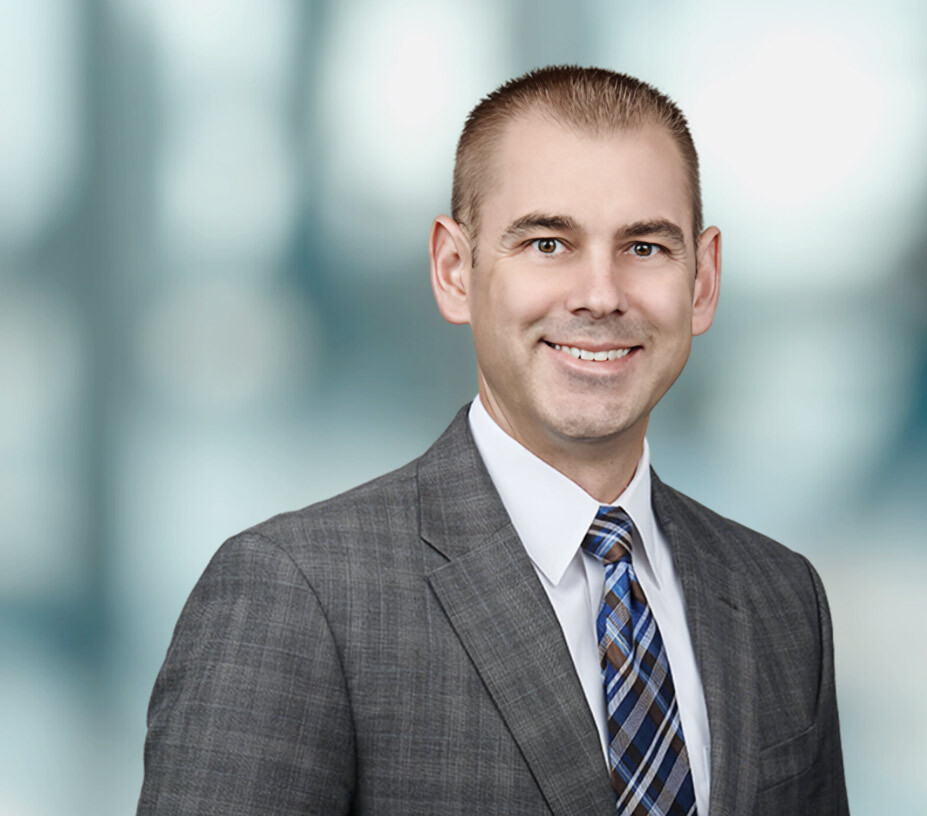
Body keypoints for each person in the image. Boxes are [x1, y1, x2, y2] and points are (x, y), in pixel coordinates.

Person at [138, 65, 849, 816]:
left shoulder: (782, 601)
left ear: (702, 282)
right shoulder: (296, 597)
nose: (600, 295)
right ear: (454, 270)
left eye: (644, 248)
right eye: (548, 243)